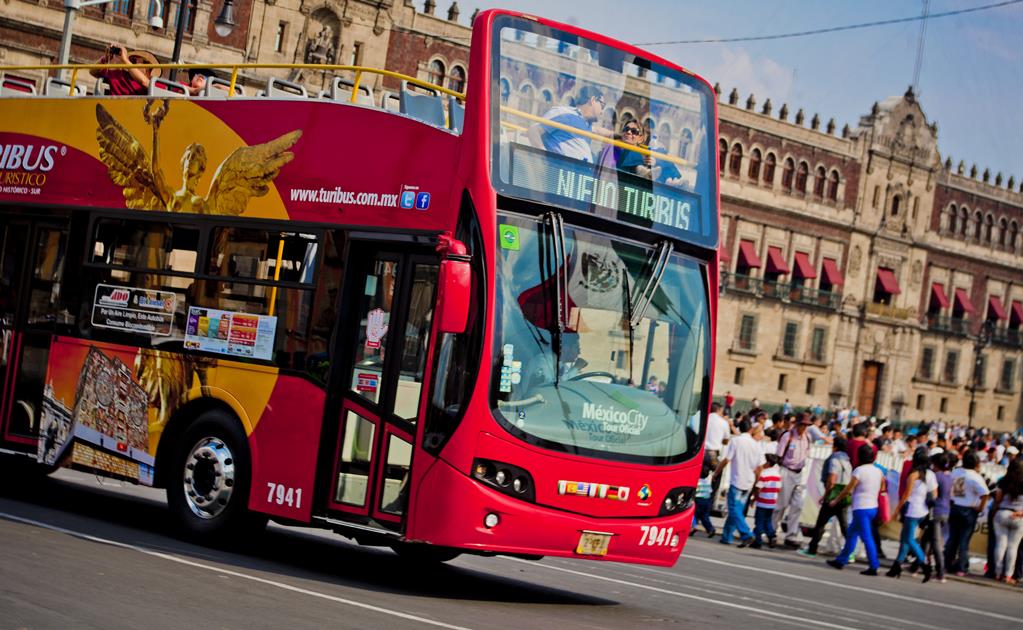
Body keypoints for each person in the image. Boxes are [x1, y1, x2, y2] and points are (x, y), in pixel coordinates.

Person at [826, 443, 885, 576]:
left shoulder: (859, 471)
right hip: (872, 507)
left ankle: (874, 566)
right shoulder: (878, 471)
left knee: (866, 537)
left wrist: (835, 500)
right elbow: (882, 488)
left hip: (861, 508)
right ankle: (841, 560)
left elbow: (848, 489)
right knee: (852, 533)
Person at [713, 417, 765, 547]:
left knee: (734, 510)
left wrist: (716, 473)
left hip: (737, 480)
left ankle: (746, 533)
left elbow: (726, 460)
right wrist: (756, 483)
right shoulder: (756, 445)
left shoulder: (736, 441)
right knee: (736, 511)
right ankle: (727, 536)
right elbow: (760, 468)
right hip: (748, 481)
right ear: (750, 429)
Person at [888, 447, 938, 581]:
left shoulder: (913, 475)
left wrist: (897, 510)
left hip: (912, 510)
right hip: (923, 510)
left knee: (909, 539)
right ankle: (896, 566)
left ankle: (924, 564)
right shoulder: (930, 474)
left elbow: (906, 495)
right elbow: (934, 494)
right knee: (905, 538)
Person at [527, 85, 609, 163]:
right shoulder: (565, 114)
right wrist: (542, 156)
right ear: (593, 100)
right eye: (602, 105)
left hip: (578, 173)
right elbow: (533, 130)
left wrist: (618, 135)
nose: (602, 112)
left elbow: (597, 130)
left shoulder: (586, 125)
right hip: (560, 171)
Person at [800, 436, 852, 558]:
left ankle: (812, 549)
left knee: (821, 523)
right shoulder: (847, 460)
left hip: (833, 495)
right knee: (844, 526)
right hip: (844, 496)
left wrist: (826, 494)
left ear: (835, 446)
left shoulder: (834, 459)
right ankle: (850, 551)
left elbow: (832, 479)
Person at [945, 450, 990, 576]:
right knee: (964, 540)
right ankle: (961, 567)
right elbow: (985, 493)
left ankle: (946, 564)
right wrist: (980, 507)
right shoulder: (975, 477)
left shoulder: (955, 472)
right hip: (968, 509)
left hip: (954, 506)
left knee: (952, 538)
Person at [772, 412, 812, 548]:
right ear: (797, 424)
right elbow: (778, 455)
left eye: (806, 425)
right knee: (781, 504)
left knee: (798, 505)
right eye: (803, 425)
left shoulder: (807, 437)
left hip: (800, 473)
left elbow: (807, 454)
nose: (804, 428)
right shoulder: (787, 436)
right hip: (787, 471)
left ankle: (791, 535)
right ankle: (773, 531)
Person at [920, 451, 952, 583]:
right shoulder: (949, 477)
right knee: (926, 540)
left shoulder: (935, 476)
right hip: (945, 511)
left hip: (936, 511)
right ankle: (919, 565)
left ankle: (940, 572)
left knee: (936, 543)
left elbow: (930, 494)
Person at [991, 459, 1023, 584]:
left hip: (1002, 513)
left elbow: (998, 499)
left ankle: (997, 573)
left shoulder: (1004, 481)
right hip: (1019, 517)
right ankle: (1008, 575)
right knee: (1013, 547)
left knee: (1000, 544)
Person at [90, 45, 160, 96]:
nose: (131, 63)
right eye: (131, 60)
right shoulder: (119, 74)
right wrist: (105, 58)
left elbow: (144, 82)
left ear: (147, 67)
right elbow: (93, 72)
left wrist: (126, 60)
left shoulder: (155, 82)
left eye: (134, 61)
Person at [751, 454, 782, 549]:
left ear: (768, 463)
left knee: (759, 522)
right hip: (772, 503)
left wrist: (753, 499)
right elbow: (779, 489)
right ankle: (772, 536)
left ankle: (758, 541)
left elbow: (758, 488)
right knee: (768, 521)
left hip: (762, 502)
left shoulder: (764, 474)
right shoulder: (777, 475)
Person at [692, 458, 716, 538]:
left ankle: (693, 527)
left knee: (693, 514)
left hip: (698, 500)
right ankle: (710, 529)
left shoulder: (696, 479)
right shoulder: (708, 479)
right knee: (705, 516)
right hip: (707, 500)